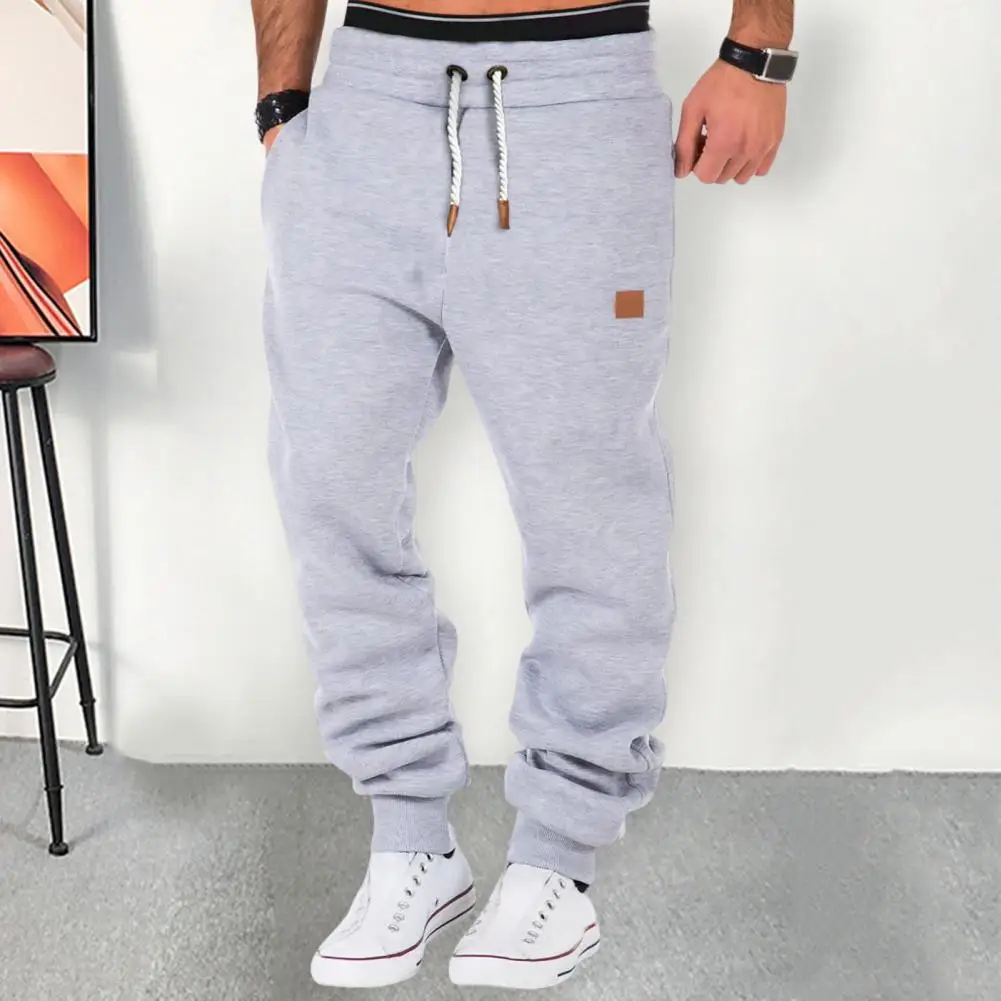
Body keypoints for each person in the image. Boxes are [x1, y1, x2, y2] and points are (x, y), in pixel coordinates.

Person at [251, 0, 795, 989]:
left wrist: (758, 51)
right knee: (327, 478)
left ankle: (557, 855)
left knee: (588, 500)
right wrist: (280, 103)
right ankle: (409, 837)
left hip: (576, 103)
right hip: (363, 105)